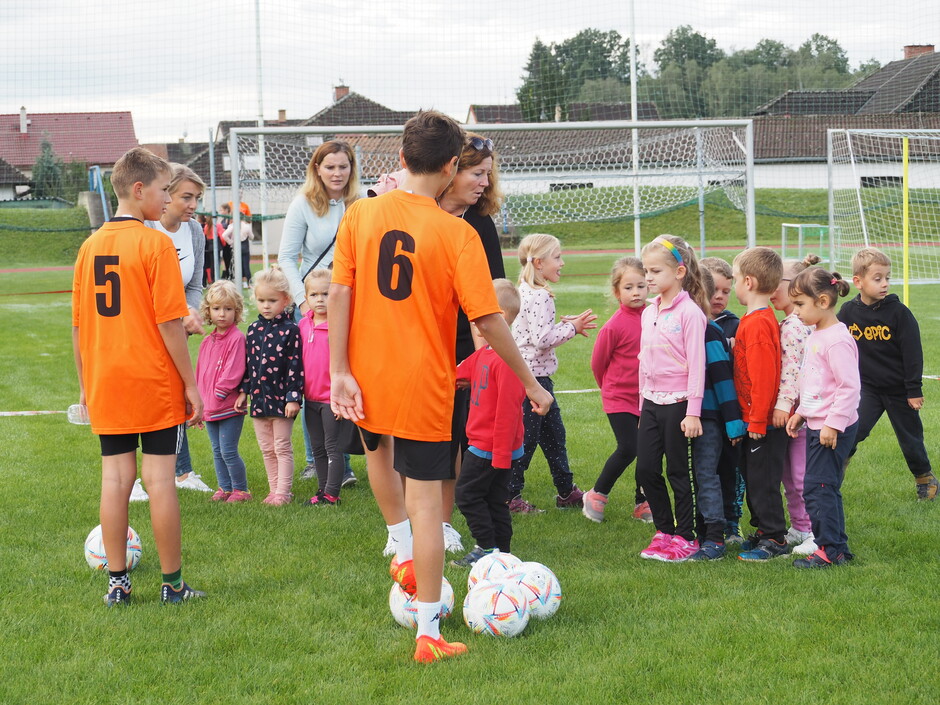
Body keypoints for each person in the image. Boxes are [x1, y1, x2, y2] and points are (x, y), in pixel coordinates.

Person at [328, 110, 553, 663]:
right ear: (452, 165)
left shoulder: (360, 213)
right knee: (428, 504)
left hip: (365, 374)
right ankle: (428, 633)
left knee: (378, 453)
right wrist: (530, 382)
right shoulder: (457, 233)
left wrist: (338, 370)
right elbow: (489, 320)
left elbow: (339, 293)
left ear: (401, 157)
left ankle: (400, 547)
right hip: (423, 382)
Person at [71, 146, 205, 605]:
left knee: (115, 479)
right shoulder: (155, 244)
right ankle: (173, 585)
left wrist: (85, 385)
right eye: (165, 190)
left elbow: (78, 326)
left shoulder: (89, 247)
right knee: (161, 480)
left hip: (106, 379)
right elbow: (170, 323)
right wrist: (190, 384)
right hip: (151, 379)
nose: (168, 199)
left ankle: (118, 585)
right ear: (139, 189)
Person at [435, 132, 507, 552]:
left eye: (488, 175)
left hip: (468, 342)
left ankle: (451, 520)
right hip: (426, 339)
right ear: (451, 170)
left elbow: (494, 292)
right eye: (477, 173)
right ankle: (420, 522)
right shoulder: (421, 214)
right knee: (429, 438)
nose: (484, 182)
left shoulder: (480, 223)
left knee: (461, 433)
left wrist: (485, 349)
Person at [278, 140, 360, 488]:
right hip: (316, 307)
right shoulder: (304, 204)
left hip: (353, 303)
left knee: (348, 376)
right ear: (317, 169)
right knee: (316, 382)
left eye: (343, 166)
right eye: (330, 167)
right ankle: (318, 459)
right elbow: (286, 257)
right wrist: (303, 301)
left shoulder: (361, 203)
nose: (337, 173)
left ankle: (343, 457)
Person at [837, 247, 938, 501]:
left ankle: (925, 479)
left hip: (899, 390)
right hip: (867, 389)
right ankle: (833, 473)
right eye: (877, 278)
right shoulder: (848, 312)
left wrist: (913, 390)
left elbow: (913, 354)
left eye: (887, 278)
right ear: (858, 281)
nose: (885, 283)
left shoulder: (899, 313)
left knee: (910, 439)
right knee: (853, 431)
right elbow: (834, 338)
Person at [508, 233, 596, 513]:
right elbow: (541, 339)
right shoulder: (541, 295)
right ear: (539, 262)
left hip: (535, 380)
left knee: (554, 437)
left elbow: (534, 333)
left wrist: (563, 325)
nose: (562, 263)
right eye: (557, 257)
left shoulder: (525, 290)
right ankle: (509, 497)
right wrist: (572, 328)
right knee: (527, 441)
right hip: (533, 382)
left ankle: (566, 491)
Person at [635, 235, 707, 562]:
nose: (648, 278)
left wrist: (693, 412)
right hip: (651, 403)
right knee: (646, 470)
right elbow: (643, 362)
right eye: (645, 271)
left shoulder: (690, 313)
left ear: (679, 272)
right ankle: (664, 531)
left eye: (655, 271)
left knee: (678, 472)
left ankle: (686, 536)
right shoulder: (648, 312)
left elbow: (697, 365)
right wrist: (642, 407)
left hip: (679, 404)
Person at [785, 267, 860, 567]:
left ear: (823, 301)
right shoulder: (817, 334)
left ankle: (829, 550)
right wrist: (802, 413)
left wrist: (833, 424)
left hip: (831, 428)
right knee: (822, 486)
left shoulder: (837, 340)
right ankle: (837, 547)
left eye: (800, 304)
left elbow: (849, 387)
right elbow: (816, 382)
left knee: (818, 488)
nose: (796, 311)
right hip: (819, 424)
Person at [144, 164, 212, 495]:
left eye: (197, 198)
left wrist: (191, 311)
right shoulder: (145, 228)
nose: (193, 205)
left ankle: (181, 473)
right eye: (187, 197)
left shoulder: (194, 231)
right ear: (166, 194)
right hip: (145, 331)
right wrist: (176, 314)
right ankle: (137, 478)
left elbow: (194, 285)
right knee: (146, 399)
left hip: (175, 331)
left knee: (177, 396)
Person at [451, 279, 526, 567]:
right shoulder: (485, 353)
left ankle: (486, 547)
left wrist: (501, 456)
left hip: (491, 448)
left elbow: (508, 414)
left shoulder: (507, 361)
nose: (473, 318)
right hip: (488, 447)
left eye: (479, 311)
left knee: (467, 495)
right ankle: (503, 554)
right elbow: (458, 373)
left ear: (499, 317)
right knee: (495, 499)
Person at [731, 246, 789, 562]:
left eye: (735, 279)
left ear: (749, 282)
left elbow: (764, 377)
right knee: (753, 478)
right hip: (753, 419)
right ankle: (764, 530)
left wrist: (756, 420)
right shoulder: (753, 319)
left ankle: (775, 538)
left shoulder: (758, 324)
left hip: (762, 424)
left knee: (763, 481)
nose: (734, 285)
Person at [582, 257, 647, 523]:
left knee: (648, 451)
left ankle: (643, 502)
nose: (636, 292)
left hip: (647, 397)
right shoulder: (614, 326)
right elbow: (598, 364)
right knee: (629, 447)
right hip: (618, 398)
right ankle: (597, 494)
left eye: (641, 286)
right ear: (617, 292)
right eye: (629, 287)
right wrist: (610, 389)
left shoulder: (654, 317)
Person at [689, 268, 746, 560]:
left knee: (707, 472)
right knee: (701, 473)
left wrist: (734, 422)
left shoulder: (709, 330)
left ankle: (715, 536)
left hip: (710, 417)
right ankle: (701, 530)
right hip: (690, 415)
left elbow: (723, 380)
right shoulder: (689, 326)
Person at [235, 266, 303, 505]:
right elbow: (248, 364)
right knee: (266, 448)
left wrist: (293, 397)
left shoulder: (291, 330)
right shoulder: (253, 330)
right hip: (258, 400)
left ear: (286, 300)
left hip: (282, 401)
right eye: (261, 300)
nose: (266, 306)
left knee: (281, 446)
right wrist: (244, 391)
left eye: (272, 301)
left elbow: (295, 365)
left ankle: (284, 492)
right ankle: (273, 490)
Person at [770, 254, 820, 556]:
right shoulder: (791, 322)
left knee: (800, 476)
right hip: (795, 413)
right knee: (789, 475)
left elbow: (792, 371)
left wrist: (784, 404)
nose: (771, 288)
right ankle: (800, 526)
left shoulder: (794, 326)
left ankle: (815, 530)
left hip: (799, 414)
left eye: (777, 283)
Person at [701, 256, 744, 540]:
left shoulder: (735, 324)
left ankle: (732, 521)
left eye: (726, 291)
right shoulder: (691, 320)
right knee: (706, 469)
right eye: (714, 289)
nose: (719, 296)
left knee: (731, 469)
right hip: (703, 411)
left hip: (730, 410)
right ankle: (705, 520)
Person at [195, 280, 251, 503]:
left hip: (228, 405)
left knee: (228, 450)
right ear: (208, 311)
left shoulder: (237, 338)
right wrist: (199, 403)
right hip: (209, 406)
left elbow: (234, 370)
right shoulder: (206, 342)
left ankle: (241, 490)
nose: (222, 314)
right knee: (217, 450)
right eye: (217, 308)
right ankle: (224, 488)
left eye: (228, 309)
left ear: (236, 311)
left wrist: (219, 394)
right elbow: (200, 374)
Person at [299, 269, 344, 507]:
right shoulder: (302, 325)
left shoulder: (339, 325)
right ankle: (323, 489)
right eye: (314, 294)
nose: (320, 299)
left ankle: (332, 493)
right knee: (317, 447)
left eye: (325, 294)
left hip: (331, 399)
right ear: (306, 297)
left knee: (332, 447)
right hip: (310, 399)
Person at [222, 203, 254, 289]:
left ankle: (238, 282)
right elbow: (252, 237)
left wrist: (231, 242)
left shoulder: (232, 226)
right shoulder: (246, 226)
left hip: (236, 246)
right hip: (244, 246)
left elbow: (224, 235)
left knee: (236, 265)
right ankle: (248, 282)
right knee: (246, 265)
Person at [218, 202, 234, 280]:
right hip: (224, 244)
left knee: (230, 260)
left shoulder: (230, 219)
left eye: (222, 210)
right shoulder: (223, 220)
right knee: (226, 260)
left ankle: (231, 276)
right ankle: (227, 275)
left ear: (226, 210)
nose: (220, 212)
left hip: (229, 244)